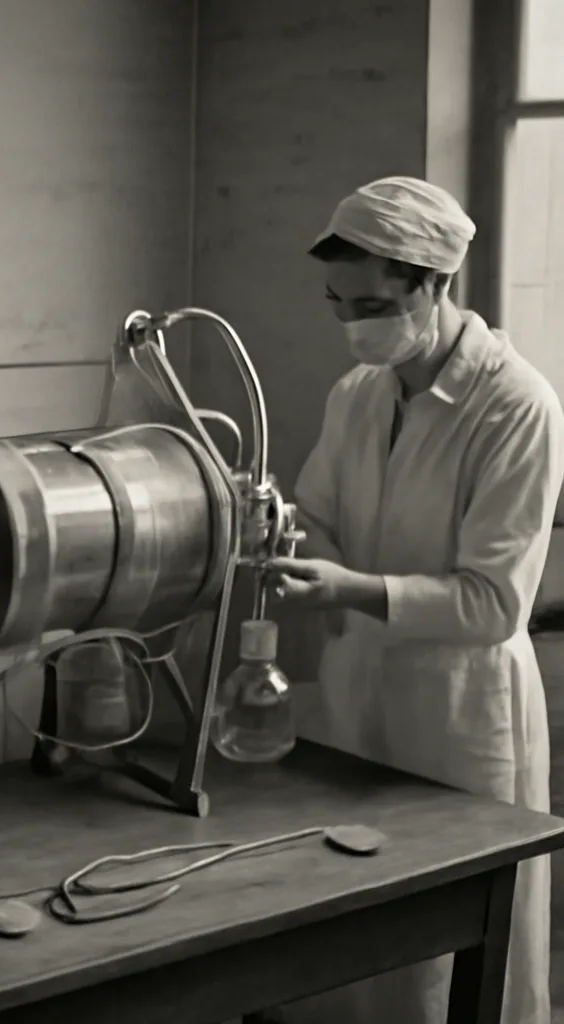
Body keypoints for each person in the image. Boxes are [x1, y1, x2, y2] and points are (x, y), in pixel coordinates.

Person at [266, 176, 563, 1024]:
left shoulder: (516, 407)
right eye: (338, 302)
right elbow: (316, 513)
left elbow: (492, 603)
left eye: (373, 302)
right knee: (357, 936)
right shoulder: (359, 392)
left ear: (434, 285)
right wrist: (284, 541)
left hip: (460, 714)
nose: (353, 324)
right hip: (362, 686)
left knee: (451, 960)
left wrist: (349, 588)